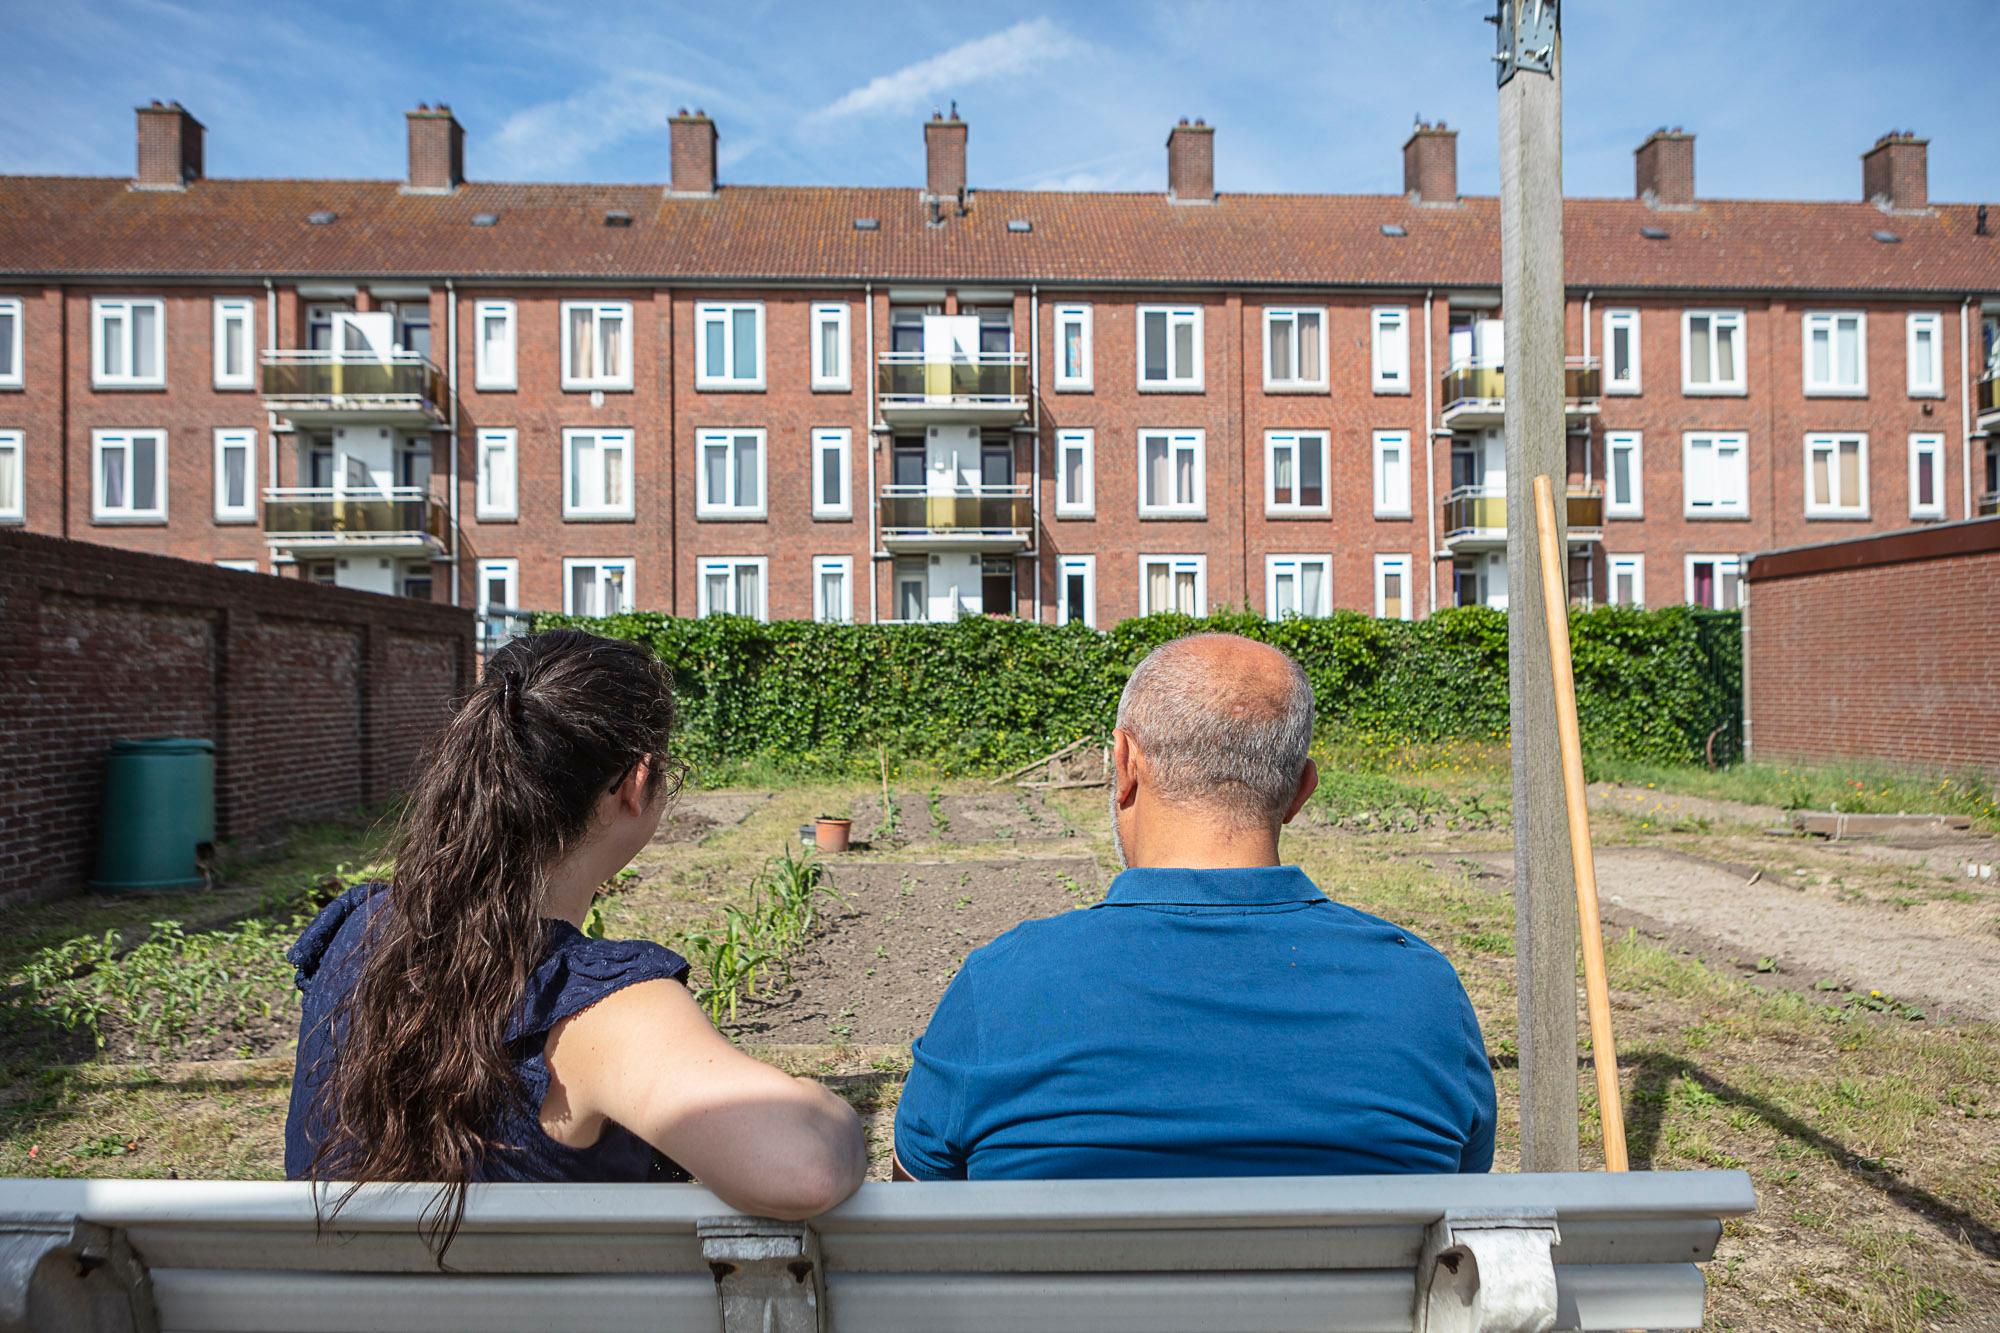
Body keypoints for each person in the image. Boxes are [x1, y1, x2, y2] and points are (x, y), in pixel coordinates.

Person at [286, 629, 865, 1241]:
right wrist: (825, 1106)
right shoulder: (595, 1008)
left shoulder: (358, 929)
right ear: (636, 783)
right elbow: (805, 1169)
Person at [893, 632, 1495, 1181]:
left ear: (1124, 765)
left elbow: (914, 1231)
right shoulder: (1425, 993)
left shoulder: (999, 986)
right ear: (1300, 792)